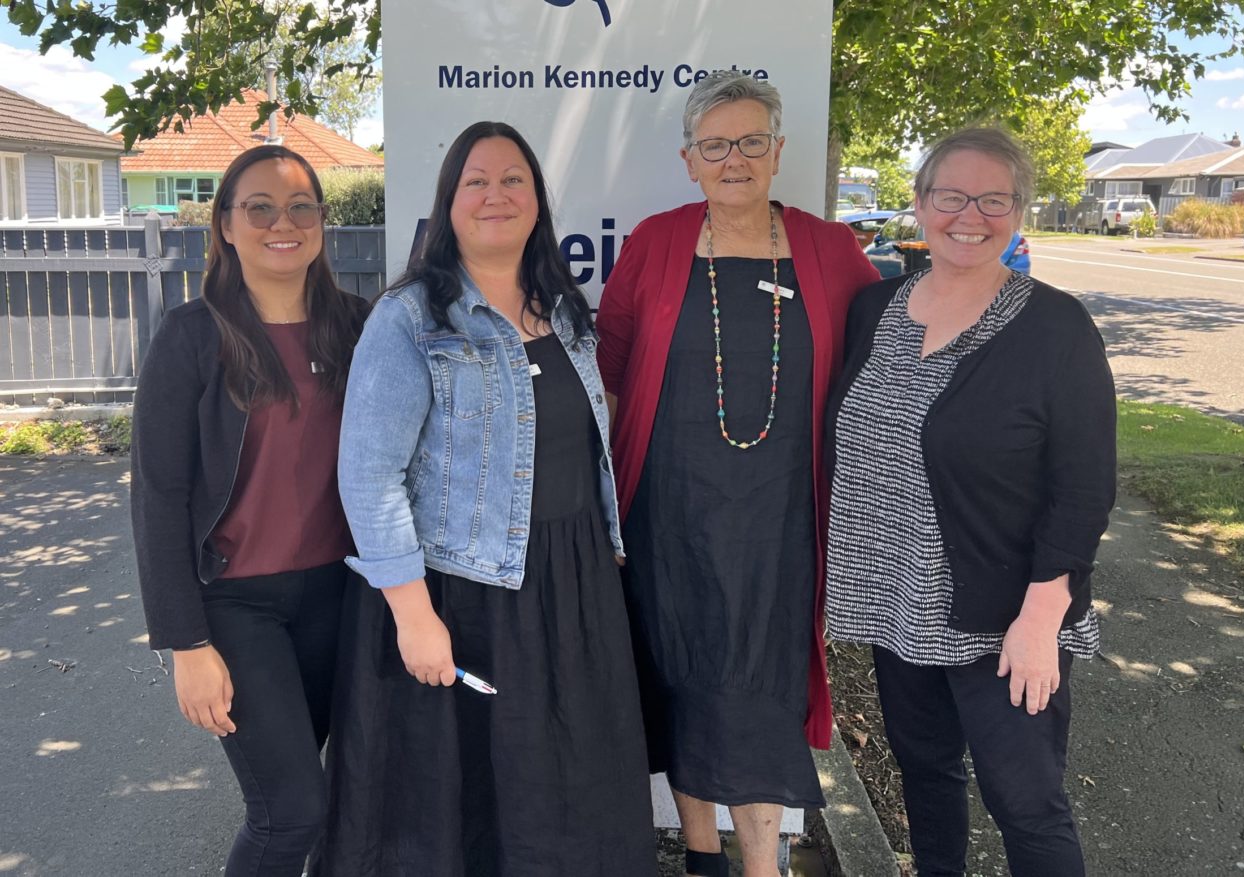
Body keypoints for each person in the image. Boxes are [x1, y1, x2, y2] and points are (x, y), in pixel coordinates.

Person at [310, 121, 655, 877]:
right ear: (448, 203)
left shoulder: (565, 309)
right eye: (476, 181)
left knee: (564, 792)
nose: (495, 195)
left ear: (537, 202)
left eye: (513, 180)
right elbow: (368, 474)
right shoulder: (409, 319)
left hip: (573, 584)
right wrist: (413, 614)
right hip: (459, 596)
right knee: (455, 808)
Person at [596, 71, 880, 877]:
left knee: (760, 689)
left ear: (779, 151)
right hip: (666, 510)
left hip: (782, 518)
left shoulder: (832, 250)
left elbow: (873, 373)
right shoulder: (655, 241)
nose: (735, 159)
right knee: (678, 671)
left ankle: (761, 865)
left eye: (752, 141)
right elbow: (608, 372)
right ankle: (699, 855)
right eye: (715, 145)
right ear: (691, 160)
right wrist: (599, 504)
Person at [824, 127, 1116, 877]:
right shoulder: (873, 308)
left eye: (994, 199)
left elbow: (1084, 486)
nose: (970, 215)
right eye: (952, 195)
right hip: (899, 602)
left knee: (1027, 803)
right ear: (920, 204)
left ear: (1018, 211)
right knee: (926, 777)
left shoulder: (1056, 328)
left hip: (1007, 615)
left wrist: (1042, 616)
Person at [130, 144, 368, 876]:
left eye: (301, 206)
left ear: (322, 223)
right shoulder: (191, 337)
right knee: (290, 810)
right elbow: (159, 498)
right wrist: (185, 644)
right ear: (225, 225)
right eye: (258, 207)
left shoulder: (360, 326)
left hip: (340, 596)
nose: (281, 222)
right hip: (236, 606)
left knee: (327, 798)